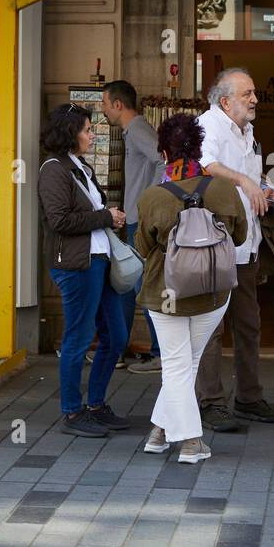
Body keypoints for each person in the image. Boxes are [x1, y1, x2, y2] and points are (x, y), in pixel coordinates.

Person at [134, 114, 248, 464]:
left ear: (164, 153)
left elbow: (142, 247)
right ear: (199, 148)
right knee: (187, 363)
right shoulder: (225, 190)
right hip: (213, 294)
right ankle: (163, 432)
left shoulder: (152, 197)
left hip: (164, 294)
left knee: (177, 365)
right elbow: (240, 236)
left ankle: (187, 441)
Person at [194, 68, 274, 431]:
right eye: (247, 93)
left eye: (254, 93)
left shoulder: (246, 131)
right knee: (212, 326)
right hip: (215, 244)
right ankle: (210, 402)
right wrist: (245, 180)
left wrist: (263, 189)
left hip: (246, 245)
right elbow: (205, 165)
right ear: (225, 100)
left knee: (248, 324)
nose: (254, 99)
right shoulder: (208, 125)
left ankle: (248, 397)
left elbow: (245, 182)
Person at [37, 103, 132, 437]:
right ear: (70, 133)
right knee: (77, 339)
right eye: (87, 129)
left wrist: (108, 214)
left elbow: (85, 213)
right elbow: (59, 220)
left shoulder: (79, 167)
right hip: (77, 265)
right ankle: (72, 413)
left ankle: (96, 405)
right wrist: (106, 216)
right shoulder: (53, 169)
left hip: (99, 262)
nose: (93, 134)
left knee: (117, 336)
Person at [98, 79, 164, 374]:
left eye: (104, 103)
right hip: (136, 219)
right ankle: (118, 349)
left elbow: (163, 161)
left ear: (117, 104)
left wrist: (147, 200)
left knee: (142, 285)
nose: (102, 109)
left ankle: (160, 353)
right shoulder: (132, 131)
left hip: (142, 221)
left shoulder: (137, 129)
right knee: (127, 284)